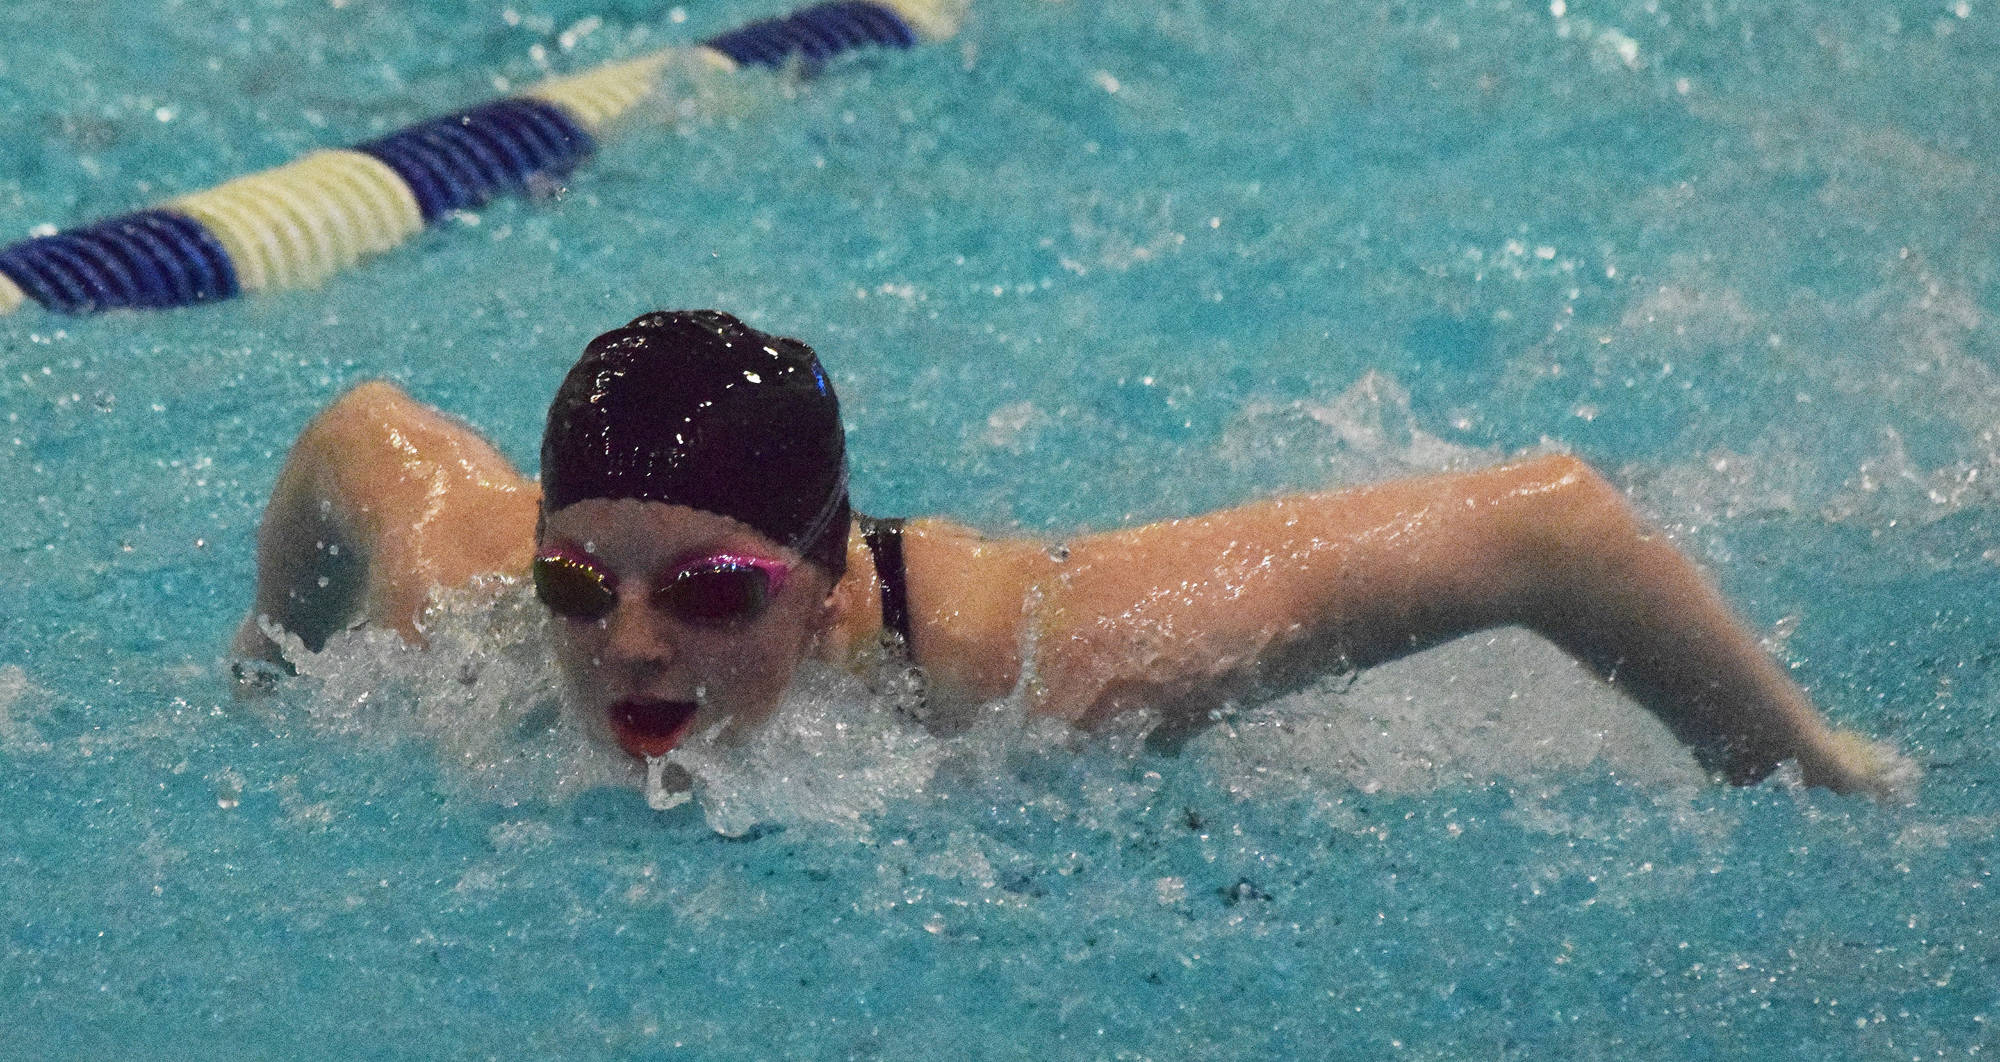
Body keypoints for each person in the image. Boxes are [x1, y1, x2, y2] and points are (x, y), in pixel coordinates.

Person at [233, 310, 1905, 797]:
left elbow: (1551, 527)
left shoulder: (1041, 667)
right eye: (580, 585)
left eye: (716, 590)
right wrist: (267, 656)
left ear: (820, 587)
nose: (633, 649)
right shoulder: (461, 583)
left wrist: (1810, 772)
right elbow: (355, 434)